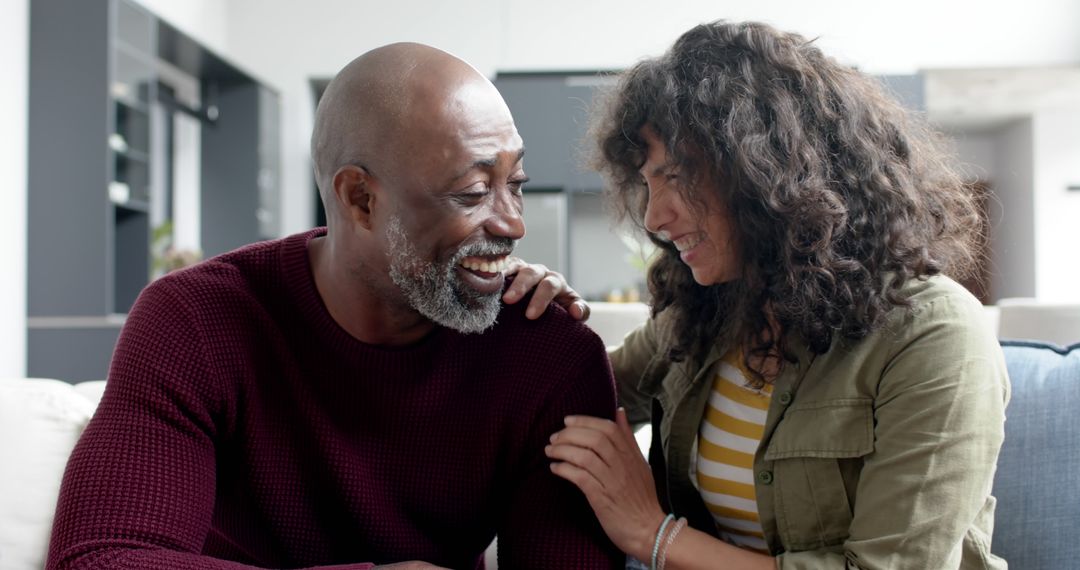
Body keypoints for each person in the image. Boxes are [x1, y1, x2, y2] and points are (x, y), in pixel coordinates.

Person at [47, 43, 622, 570]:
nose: (513, 223)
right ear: (360, 199)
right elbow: (99, 558)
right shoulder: (195, 321)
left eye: (515, 182)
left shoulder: (548, 354)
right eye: (472, 194)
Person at [524, 20, 1009, 569]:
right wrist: (533, 313)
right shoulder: (708, 314)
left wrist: (654, 535)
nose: (655, 217)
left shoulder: (936, 336)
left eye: (678, 176)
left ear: (770, 172)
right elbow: (567, 400)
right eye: (648, 184)